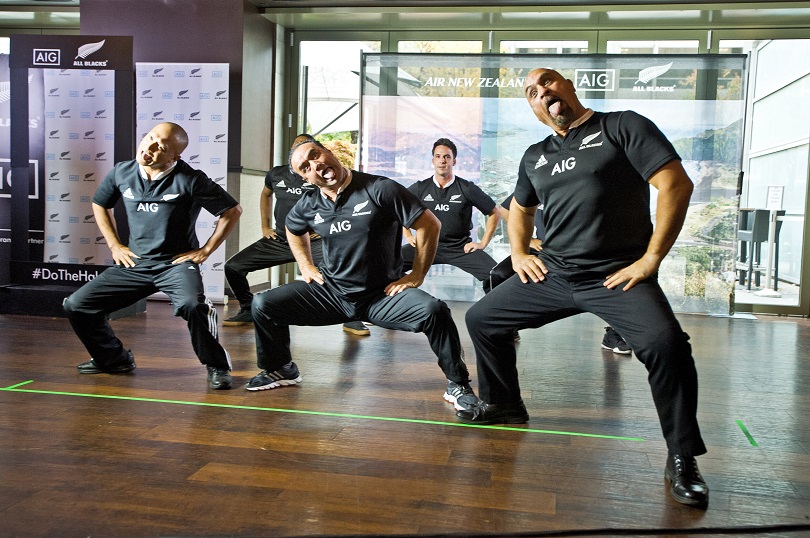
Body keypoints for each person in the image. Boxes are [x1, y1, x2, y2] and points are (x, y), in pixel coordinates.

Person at [459, 68, 708, 508]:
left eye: (549, 82)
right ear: (535, 109)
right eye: (533, 93)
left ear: (569, 86)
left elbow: (674, 184)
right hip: (553, 274)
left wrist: (651, 259)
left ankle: (682, 454)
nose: (544, 93)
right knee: (482, 318)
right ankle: (505, 405)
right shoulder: (536, 154)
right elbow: (520, 208)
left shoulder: (622, 126)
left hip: (616, 275)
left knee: (666, 345)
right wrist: (519, 253)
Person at [245, 137, 477, 413]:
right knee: (263, 304)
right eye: (305, 168)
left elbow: (429, 225)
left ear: (329, 151)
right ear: (305, 179)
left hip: (381, 297)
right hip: (332, 295)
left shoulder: (380, 189)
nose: (315, 166)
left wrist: (416, 274)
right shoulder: (309, 204)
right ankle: (280, 368)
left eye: (315, 155)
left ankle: (458, 383)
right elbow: (293, 230)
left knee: (434, 310)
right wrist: (306, 266)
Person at [63, 122, 242, 390]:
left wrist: (205, 251)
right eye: (149, 138)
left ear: (175, 157)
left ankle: (217, 365)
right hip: (135, 263)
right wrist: (114, 245)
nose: (150, 147)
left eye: (162, 147)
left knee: (193, 306)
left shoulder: (190, 179)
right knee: (76, 304)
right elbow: (100, 203)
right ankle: (113, 359)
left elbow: (232, 210)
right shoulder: (122, 172)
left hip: (174, 265)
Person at [222, 134, 370, 336]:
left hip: (315, 241)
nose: (301, 151)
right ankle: (248, 309)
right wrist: (265, 227)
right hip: (281, 240)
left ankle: (352, 317)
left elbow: (338, 200)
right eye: (296, 147)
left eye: (306, 147)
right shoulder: (276, 174)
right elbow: (266, 194)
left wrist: (325, 229)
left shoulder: (318, 174)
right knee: (233, 267)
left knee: (342, 272)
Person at [490, 193, 631, 354]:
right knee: (498, 274)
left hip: (580, 253)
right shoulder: (538, 180)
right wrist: (529, 241)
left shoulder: (580, 184)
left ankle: (613, 334)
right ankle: (508, 329)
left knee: (617, 280)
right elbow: (507, 209)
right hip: (543, 251)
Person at [402, 138, 500, 293]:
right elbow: (398, 207)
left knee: (497, 275)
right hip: (425, 246)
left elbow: (494, 213)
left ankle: (494, 313)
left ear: (454, 161)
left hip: (459, 248)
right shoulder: (420, 188)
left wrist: (482, 243)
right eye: (438, 156)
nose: (442, 161)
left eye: (447, 157)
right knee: (387, 265)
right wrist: (407, 235)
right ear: (433, 160)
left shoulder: (467, 188)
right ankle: (402, 304)